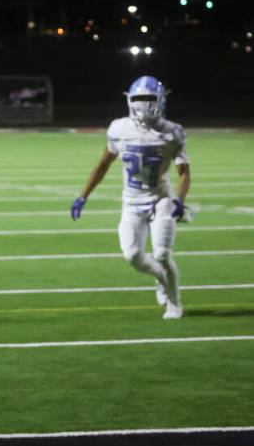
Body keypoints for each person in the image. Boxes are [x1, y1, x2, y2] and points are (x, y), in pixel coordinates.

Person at [71, 76, 191, 319]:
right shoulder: (119, 129)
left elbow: (184, 172)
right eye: (140, 99)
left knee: (162, 254)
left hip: (161, 199)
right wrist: (83, 196)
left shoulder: (172, 132)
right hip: (132, 200)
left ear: (161, 100)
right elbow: (103, 164)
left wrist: (179, 199)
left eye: (150, 99)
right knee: (132, 255)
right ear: (130, 100)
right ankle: (160, 276)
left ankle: (174, 303)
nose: (145, 105)